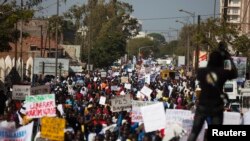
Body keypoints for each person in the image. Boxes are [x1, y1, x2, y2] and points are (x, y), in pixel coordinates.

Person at [187, 42, 238, 141]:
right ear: (220, 61)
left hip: (202, 107)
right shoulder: (223, 73)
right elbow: (235, 74)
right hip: (216, 108)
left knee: (194, 132)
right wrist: (228, 58)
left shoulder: (201, 72)